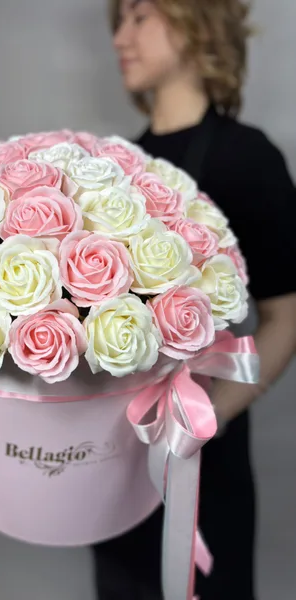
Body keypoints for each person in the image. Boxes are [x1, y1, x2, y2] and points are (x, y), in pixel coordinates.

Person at [92, 1, 296, 599]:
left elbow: (287, 315)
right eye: (119, 22)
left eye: (140, 18)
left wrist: (211, 417)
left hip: (205, 462)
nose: (120, 39)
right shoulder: (113, 169)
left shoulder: (248, 158)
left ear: (194, 24)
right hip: (115, 463)